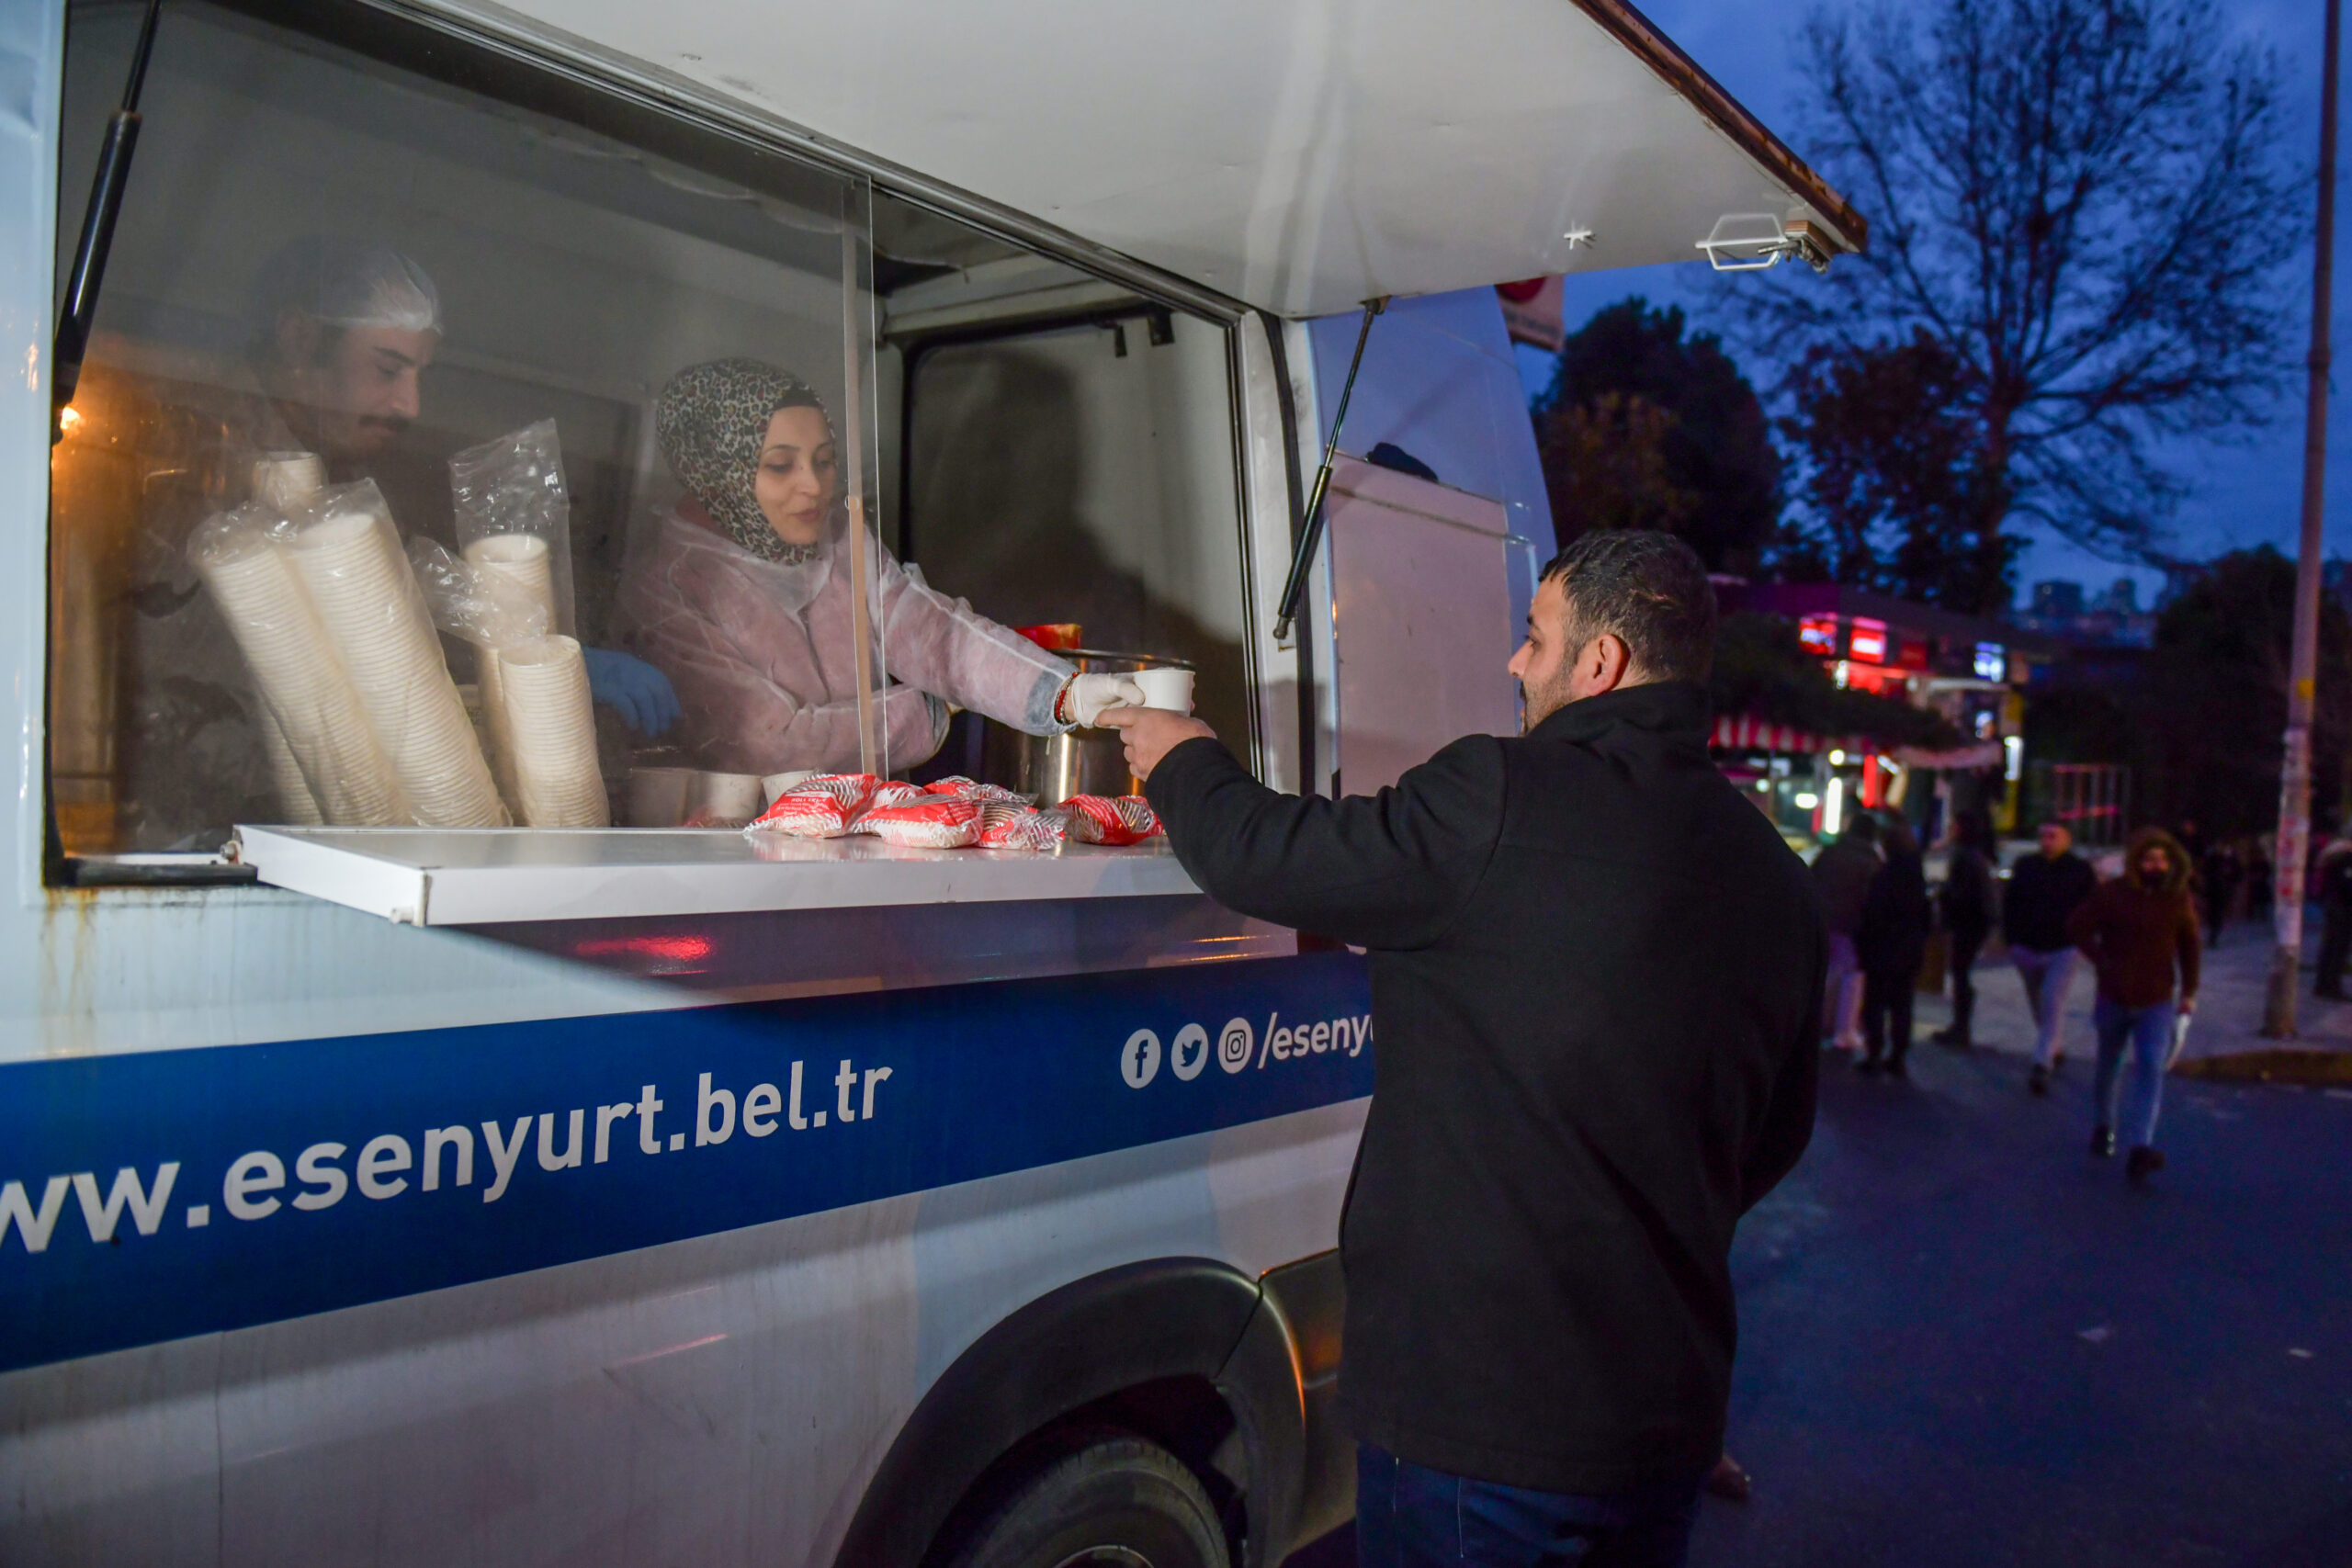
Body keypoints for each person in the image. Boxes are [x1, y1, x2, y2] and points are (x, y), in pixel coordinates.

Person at [1102, 530, 1823, 1567]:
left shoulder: (1502, 795)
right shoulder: (1771, 873)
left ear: (1601, 663)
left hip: (1483, 1426)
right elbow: (1773, 1139)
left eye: (1534, 639)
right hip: (1660, 1425)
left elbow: (1268, 852)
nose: (1513, 663)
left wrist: (1182, 757)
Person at [119, 239, 682, 845]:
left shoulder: (333, 474)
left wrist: (530, 655)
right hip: (183, 831)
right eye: (388, 369)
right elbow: (188, 671)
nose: (411, 404)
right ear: (301, 337)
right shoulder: (192, 455)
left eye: (419, 375)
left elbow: (387, 618)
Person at [615, 358, 1139, 775]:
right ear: (713, 473)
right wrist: (929, 710)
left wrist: (1063, 692)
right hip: (747, 858)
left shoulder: (838, 538)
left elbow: (933, 633)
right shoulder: (668, 587)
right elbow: (764, 742)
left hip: (864, 838)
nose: (814, 486)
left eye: (824, 460)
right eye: (780, 466)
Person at [2066, 829, 2200, 1184]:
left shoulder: (2177, 898)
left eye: (2161, 860)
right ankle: (2102, 1124)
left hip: (2156, 998)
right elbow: (2078, 926)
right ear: (2136, 862)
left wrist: (2190, 991)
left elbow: (2190, 946)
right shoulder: (2112, 895)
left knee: (2150, 1069)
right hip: (2114, 995)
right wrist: (2100, 959)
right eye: (2148, 859)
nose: (2155, 866)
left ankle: (2140, 1146)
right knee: (2108, 1065)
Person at [2007, 822, 2098, 1096]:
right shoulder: (2026, 866)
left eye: (2053, 836)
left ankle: (2041, 1062)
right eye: (2043, 836)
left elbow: (2092, 906)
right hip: (2028, 946)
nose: (2047, 842)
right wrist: (2013, 938)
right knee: (2038, 1001)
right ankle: (2053, 1046)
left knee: (2051, 999)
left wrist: (2084, 936)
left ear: (2066, 839)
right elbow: (2012, 902)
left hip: (2064, 947)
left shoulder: (2079, 870)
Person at [1856, 819, 1932, 1077]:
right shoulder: (1916, 877)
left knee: (1875, 1003)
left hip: (1881, 949)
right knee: (1902, 1004)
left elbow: (1872, 914)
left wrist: (1864, 943)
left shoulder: (1884, 877)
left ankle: (1874, 1052)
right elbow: (1925, 917)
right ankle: (1898, 1055)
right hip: (1908, 950)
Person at [1810, 813, 1883, 1055]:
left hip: (1822, 920)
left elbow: (1811, 879)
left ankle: (1820, 1024)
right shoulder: (1870, 860)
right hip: (1850, 924)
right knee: (1851, 976)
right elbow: (1872, 898)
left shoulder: (1831, 852)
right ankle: (1844, 1031)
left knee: (1827, 972)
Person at [1932, 810, 1998, 1049]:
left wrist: (1944, 899)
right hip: (1974, 922)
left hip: (1969, 923)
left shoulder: (1966, 857)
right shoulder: (1973, 856)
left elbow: (1963, 894)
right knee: (1960, 973)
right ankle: (1960, 1025)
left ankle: (1961, 1027)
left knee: (1960, 973)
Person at [2312, 837, 2352, 999]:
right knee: (2338, 949)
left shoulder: (2329, 860)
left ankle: (2321, 985)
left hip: (2332, 906)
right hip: (2343, 909)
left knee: (2328, 947)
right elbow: (2347, 884)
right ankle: (2332, 987)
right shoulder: (2346, 860)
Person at [2199, 840, 2242, 948]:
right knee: (2212, 914)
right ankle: (2212, 935)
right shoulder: (2212, 859)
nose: (2219, 848)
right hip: (2212, 890)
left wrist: (2231, 882)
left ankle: (2213, 936)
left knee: (2218, 914)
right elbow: (2205, 871)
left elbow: (2238, 874)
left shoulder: (2230, 860)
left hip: (2223, 890)